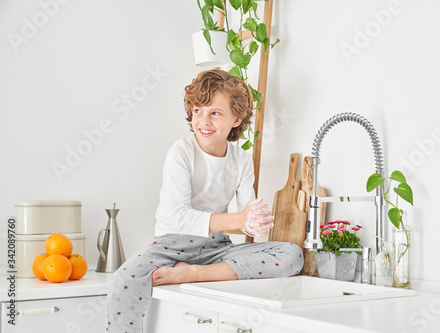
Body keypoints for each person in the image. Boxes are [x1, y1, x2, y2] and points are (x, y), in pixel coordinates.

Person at [106, 69, 304, 332]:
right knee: (124, 279)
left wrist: (254, 223)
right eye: (198, 110)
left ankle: (193, 273)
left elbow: (246, 219)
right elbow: (179, 217)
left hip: (215, 248)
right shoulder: (181, 153)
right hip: (169, 246)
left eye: (215, 113)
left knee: (292, 255)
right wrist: (240, 219)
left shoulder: (242, 160)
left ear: (237, 118)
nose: (204, 121)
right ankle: (191, 271)